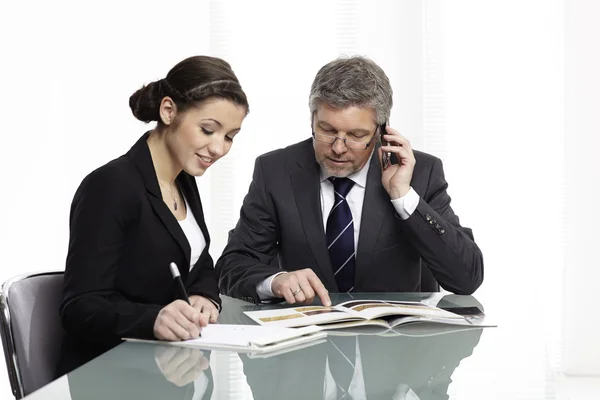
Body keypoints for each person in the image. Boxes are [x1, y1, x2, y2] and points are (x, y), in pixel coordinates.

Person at [216, 55, 483, 306]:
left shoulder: (421, 172)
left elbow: (466, 278)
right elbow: (232, 265)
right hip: (305, 344)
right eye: (327, 130)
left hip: (394, 347)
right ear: (312, 120)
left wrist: (403, 196)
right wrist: (275, 281)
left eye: (356, 135)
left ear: (382, 130)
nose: (339, 148)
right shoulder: (275, 171)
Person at [56, 55, 249, 377]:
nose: (218, 148)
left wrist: (204, 294)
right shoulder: (111, 185)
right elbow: (80, 307)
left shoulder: (182, 179)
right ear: (168, 110)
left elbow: (195, 261)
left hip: (175, 369)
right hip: (115, 376)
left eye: (229, 136)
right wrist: (153, 319)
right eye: (208, 130)